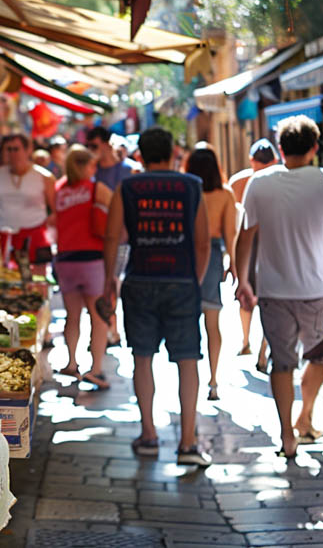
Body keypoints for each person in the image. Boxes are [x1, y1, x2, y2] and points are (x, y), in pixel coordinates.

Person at [235, 115, 323, 458]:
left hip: (273, 292)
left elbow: (245, 237)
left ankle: (287, 434)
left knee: (282, 363)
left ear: (281, 148)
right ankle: (305, 417)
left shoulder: (259, 183)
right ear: (315, 147)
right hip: (319, 290)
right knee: (318, 356)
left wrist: (242, 280)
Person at [104, 126, 212, 466]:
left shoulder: (127, 187)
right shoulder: (192, 186)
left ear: (141, 156)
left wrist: (110, 279)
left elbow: (112, 238)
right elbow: (203, 242)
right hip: (181, 280)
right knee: (188, 360)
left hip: (140, 279)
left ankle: (149, 434)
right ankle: (188, 442)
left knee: (142, 357)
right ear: (172, 153)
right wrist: (192, 279)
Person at [53, 145, 112, 389]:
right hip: (92, 260)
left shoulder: (58, 190)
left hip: (66, 260)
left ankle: (71, 362)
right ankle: (96, 369)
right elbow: (117, 211)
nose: (94, 169)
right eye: (91, 165)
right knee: (99, 317)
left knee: (72, 317)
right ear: (84, 166)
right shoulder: (96, 189)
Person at [186, 148, 236, 401]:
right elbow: (230, 235)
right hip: (213, 254)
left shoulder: (186, 191)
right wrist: (235, 265)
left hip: (186, 252)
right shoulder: (225, 194)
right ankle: (213, 379)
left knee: (186, 319)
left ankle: (189, 376)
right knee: (212, 322)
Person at [86, 126, 141, 347]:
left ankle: (112, 329)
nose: (91, 150)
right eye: (88, 146)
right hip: (95, 237)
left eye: (94, 146)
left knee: (112, 282)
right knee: (100, 285)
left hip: (122, 237)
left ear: (107, 143)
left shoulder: (130, 170)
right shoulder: (91, 172)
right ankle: (106, 329)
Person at [229, 139, 279, 370]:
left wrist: (232, 255)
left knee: (252, 296)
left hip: (252, 244)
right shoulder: (280, 179)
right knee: (263, 298)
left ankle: (251, 344)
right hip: (265, 244)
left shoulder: (239, 182)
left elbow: (233, 225)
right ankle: (254, 345)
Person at [0, 134, 56, 265]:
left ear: (28, 150)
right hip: (0, 234)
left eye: (16, 149)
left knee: (35, 280)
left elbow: (56, 209)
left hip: (33, 236)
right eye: (8, 149)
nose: (12, 154)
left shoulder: (45, 177)